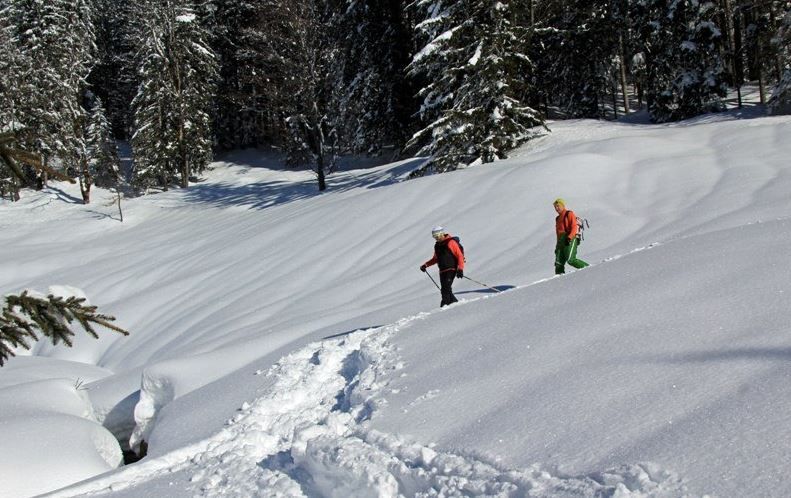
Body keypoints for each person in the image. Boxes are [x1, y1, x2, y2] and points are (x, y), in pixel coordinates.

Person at [420, 226, 465, 307]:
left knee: (446, 289)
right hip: (442, 270)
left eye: (437, 236)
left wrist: (460, 269)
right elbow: (435, 259)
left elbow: (460, 256)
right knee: (445, 290)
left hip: (451, 268)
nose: (436, 238)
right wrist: (425, 265)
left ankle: (445, 306)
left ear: (442, 234)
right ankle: (454, 304)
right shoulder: (437, 246)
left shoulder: (451, 242)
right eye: (434, 237)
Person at [553, 198, 589, 274]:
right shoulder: (557, 218)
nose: (556, 208)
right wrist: (557, 246)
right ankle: (559, 280)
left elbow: (574, 226)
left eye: (558, 206)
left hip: (570, 238)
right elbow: (558, 234)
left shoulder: (569, 213)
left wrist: (569, 238)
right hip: (560, 241)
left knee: (570, 259)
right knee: (558, 263)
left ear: (563, 205)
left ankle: (589, 268)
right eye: (555, 207)